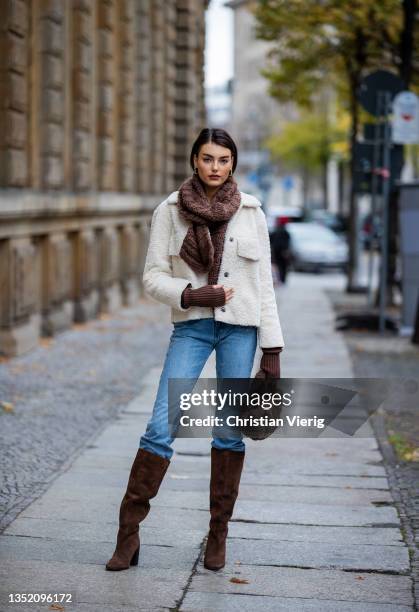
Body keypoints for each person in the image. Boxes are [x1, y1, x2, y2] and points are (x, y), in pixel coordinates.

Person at [106, 128, 285, 573]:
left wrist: (273, 348)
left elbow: (263, 285)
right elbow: (151, 277)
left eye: (223, 160)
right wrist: (190, 294)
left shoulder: (251, 212)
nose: (215, 167)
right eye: (207, 158)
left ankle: (218, 535)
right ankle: (128, 536)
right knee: (159, 427)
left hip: (240, 330)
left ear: (232, 165)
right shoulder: (169, 211)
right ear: (194, 160)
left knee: (227, 431)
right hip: (191, 328)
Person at [271, 218, 291, 284]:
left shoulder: (276, 231)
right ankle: (281, 279)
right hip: (281, 251)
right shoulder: (285, 232)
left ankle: (279, 279)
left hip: (277, 251)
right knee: (282, 266)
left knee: (278, 265)